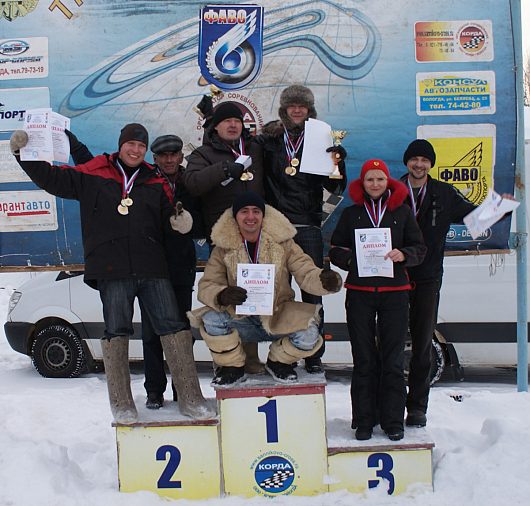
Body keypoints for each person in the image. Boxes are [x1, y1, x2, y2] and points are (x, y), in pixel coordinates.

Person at [10, 124, 212, 423]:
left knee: (173, 327)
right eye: (131, 144)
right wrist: (23, 154)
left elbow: (168, 215)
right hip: (111, 268)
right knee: (116, 330)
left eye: (141, 146)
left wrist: (179, 221)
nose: (136, 150)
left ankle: (191, 398)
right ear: (121, 146)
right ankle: (121, 403)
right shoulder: (94, 174)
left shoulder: (154, 179)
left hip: (152, 268)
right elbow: (51, 179)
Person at [189, 191, 343, 386]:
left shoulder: (284, 244)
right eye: (244, 211)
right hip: (241, 317)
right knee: (211, 319)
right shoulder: (222, 248)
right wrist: (222, 295)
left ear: (263, 215)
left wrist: (323, 280)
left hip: (277, 313)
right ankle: (232, 367)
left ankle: (278, 362)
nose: (251, 217)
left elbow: (305, 270)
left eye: (256, 211)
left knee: (310, 332)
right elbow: (206, 285)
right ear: (235, 217)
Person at [329, 159, 426, 441]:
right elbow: (335, 248)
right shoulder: (351, 214)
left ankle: (393, 420)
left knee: (393, 359)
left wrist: (404, 254)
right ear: (362, 184)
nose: (375, 184)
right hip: (359, 293)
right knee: (363, 359)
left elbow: (419, 247)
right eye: (369, 180)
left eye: (380, 179)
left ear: (388, 182)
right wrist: (351, 258)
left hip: (395, 293)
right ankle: (363, 420)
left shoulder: (403, 213)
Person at [258, 84, 347, 374]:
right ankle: (286, 352)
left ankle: (313, 352)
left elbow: (334, 187)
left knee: (314, 291)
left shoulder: (320, 140)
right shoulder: (269, 140)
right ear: (284, 110)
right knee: (281, 293)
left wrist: (338, 164)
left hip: (308, 226)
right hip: (276, 228)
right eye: (292, 106)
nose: (297, 110)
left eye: (302, 106)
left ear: (310, 110)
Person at [183, 101, 266, 374]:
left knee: (250, 299)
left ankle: (251, 360)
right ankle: (228, 361)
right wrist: (224, 170)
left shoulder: (255, 148)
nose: (233, 125)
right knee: (226, 299)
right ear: (215, 126)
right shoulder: (203, 154)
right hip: (224, 240)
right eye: (227, 121)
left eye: (237, 120)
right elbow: (192, 183)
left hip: (256, 236)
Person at [142, 134, 202, 409]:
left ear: (180, 156)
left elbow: (201, 220)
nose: (168, 160)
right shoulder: (144, 182)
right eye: (163, 156)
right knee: (152, 332)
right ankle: (154, 390)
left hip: (181, 265)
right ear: (154, 158)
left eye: (173, 154)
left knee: (181, 331)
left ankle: (182, 386)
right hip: (151, 265)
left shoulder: (191, 182)